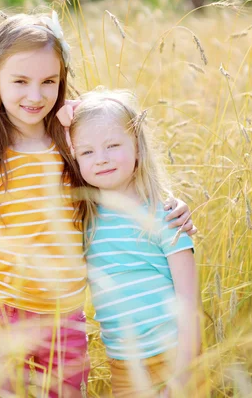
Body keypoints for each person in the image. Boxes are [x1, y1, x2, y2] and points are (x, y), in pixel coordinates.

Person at [0, 12, 196, 397]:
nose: (35, 95)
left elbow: (120, 172)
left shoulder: (72, 139)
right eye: (20, 81)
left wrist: (170, 203)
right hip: (3, 313)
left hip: (66, 320)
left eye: (49, 81)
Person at [57, 89, 201, 397]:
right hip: (123, 365)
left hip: (174, 358)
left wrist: (182, 377)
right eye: (87, 152)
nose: (102, 158)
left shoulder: (164, 213)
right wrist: (63, 121)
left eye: (112, 145)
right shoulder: (85, 218)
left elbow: (190, 306)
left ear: (137, 145)